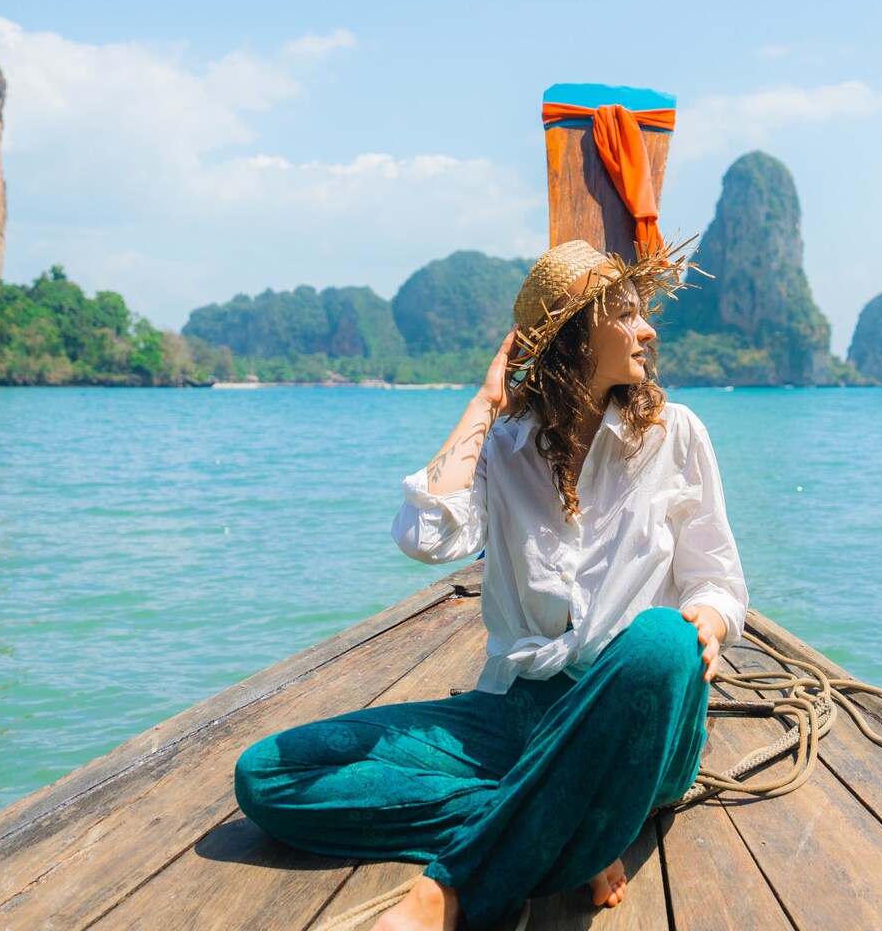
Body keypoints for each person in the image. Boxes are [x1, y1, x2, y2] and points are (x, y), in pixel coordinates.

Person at [233, 239, 748, 931]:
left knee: (661, 641)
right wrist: (483, 402)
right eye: (625, 314)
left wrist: (707, 627)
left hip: (636, 724)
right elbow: (426, 538)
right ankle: (566, 830)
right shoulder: (503, 446)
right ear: (573, 334)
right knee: (269, 776)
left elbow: (717, 582)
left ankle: (444, 896)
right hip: (517, 712)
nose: (648, 329)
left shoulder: (675, 434)